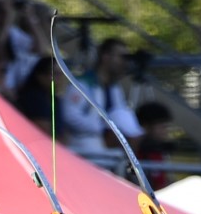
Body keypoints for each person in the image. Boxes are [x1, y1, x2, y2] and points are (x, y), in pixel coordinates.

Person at [59, 37, 143, 169]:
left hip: (105, 150)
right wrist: (100, 127)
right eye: (121, 57)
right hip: (83, 148)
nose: (124, 62)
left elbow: (118, 115)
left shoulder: (115, 88)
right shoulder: (83, 83)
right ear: (106, 56)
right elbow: (70, 115)